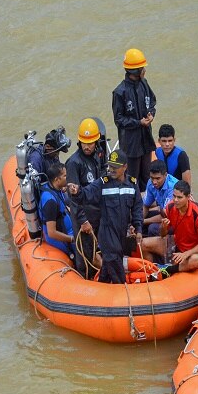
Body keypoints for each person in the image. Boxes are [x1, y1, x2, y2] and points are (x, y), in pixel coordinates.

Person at [68, 150, 143, 284]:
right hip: (107, 232)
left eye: (115, 167)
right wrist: (77, 191)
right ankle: (122, 289)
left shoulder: (132, 184)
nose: (111, 169)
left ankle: (103, 283)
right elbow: (86, 194)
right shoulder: (103, 183)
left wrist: (138, 228)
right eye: (110, 166)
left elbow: (137, 207)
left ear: (125, 167)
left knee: (112, 262)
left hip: (121, 233)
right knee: (113, 259)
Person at [66, 118, 106, 278]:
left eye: (90, 143)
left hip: (98, 213)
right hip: (84, 217)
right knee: (86, 254)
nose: (87, 146)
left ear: (96, 141)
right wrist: (83, 221)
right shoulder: (74, 164)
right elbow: (73, 198)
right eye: (84, 143)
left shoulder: (97, 155)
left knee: (98, 248)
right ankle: (85, 278)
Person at [112, 48, 156, 191]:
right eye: (142, 68)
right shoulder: (120, 92)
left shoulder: (144, 84)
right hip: (131, 144)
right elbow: (119, 120)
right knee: (132, 179)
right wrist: (138, 123)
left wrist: (151, 114)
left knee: (147, 176)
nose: (145, 71)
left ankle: (147, 205)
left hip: (146, 139)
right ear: (135, 71)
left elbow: (152, 102)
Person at [141, 180, 198, 274]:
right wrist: (163, 227)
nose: (175, 200)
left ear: (188, 197)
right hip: (176, 243)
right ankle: (152, 271)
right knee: (143, 244)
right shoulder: (170, 207)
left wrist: (186, 254)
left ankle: (166, 271)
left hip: (192, 251)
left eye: (179, 197)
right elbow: (162, 235)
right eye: (174, 196)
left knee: (197, 259)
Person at [38, 161, 75, 258]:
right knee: (93, 255)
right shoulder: (50, 201)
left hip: (69, 229)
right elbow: (52, 233)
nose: (68, 178)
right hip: (63, 238)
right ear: (57, 180)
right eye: (65, 176)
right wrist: (72, 239)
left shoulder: (56, 189)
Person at [142, 159, 178, 236]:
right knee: (136, 217)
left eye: (158, 178)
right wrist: (138, 221)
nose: (154, 182)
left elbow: (165, 216)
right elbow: (146, 205)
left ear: (165, 175)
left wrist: (143, 221)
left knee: (152, 228)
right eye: (152, 178)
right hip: (163, 214)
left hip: (176, 220)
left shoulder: (173, 187)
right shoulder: (150, 183)